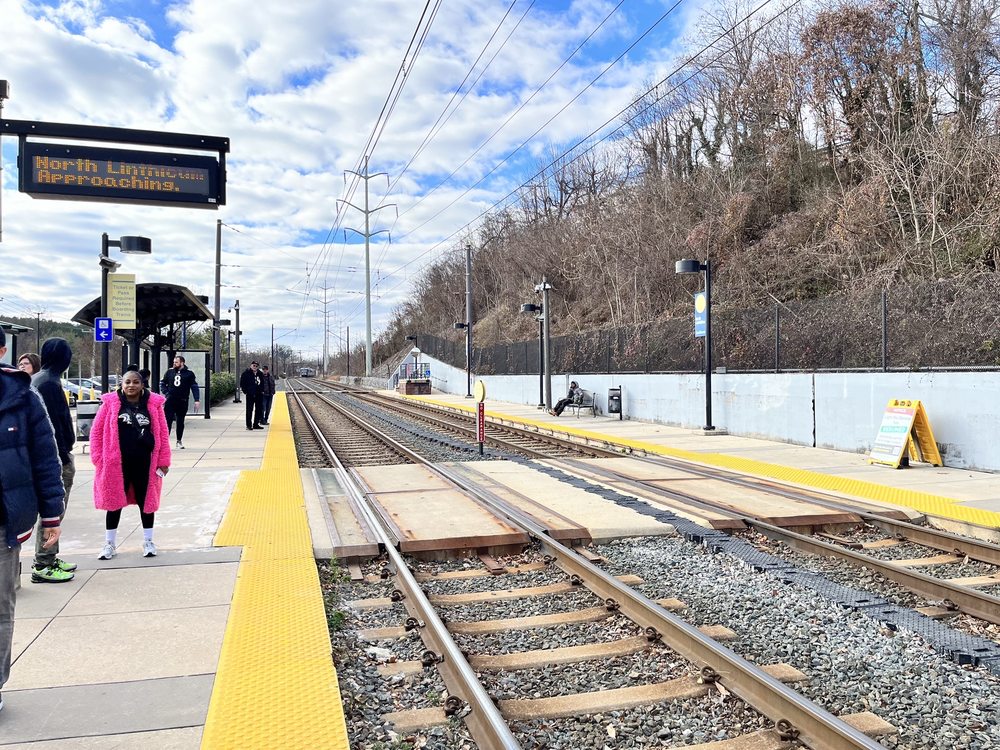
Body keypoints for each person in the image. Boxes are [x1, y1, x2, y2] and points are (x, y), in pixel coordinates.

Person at [0, 329, 65, 713]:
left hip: (4, 524)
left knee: (0, 608)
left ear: (3, 348)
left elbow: (46, 458)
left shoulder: (24, 396)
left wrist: (52, 515)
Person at [91, 369, 171, 560]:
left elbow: (163, 433)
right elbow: (96, 431)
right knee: (113, 503)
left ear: (142, 384)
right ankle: (109, 543)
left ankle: (148, 541)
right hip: (115, 464)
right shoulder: (110, 404)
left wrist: (164, 461)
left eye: (135, 382)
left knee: (147, 502)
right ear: (121, 384)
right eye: (127, 382)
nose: (131, 386)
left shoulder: (154, 405)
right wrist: (98, 458)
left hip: (146, 462)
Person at [30, 338, 78, 582]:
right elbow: (51, 427)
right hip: (56, 459)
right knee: (53, 511)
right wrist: (62, 457)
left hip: (55, 455)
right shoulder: (48, 383)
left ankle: (50, 556)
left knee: (54, 511)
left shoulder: (42, 379)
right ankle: (44, 563)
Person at [159, 355, 201, 449]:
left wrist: (197, 400)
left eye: (176, 362)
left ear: (182, 363)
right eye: (174, 362)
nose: (174, 364)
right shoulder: (169, 372)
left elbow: (194, 387)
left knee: (180, 421)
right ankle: (165, 442)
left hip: (182, 400)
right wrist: (166, 393)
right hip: (170, 400)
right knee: (167, 421)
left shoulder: (189, 374)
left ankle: (179, 441)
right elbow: (162, 383)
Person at [239, 361, 265, 431]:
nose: (255, 367)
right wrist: (245, 391)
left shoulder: (260, 373)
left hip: (259, 394)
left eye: (256, 366)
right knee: (249, 410)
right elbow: (242, 383)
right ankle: (248, 425)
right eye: (254, 365)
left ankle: (256, 424)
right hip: (250, 395)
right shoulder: (246, 373)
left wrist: (262, 390)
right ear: (251, 365)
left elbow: (262, 382)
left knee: (258, 410)